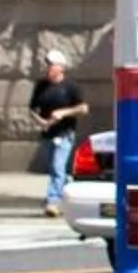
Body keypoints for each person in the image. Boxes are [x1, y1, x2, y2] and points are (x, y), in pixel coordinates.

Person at [33, 53, 89, 216]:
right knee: (54, 168)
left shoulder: (71, 87)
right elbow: (32, 108)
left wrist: (63, 113)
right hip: (48, 133)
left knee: (57, 167)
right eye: (47, 65)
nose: (47, 68)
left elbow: (83, 108)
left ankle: (53, 202)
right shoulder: (41, 86)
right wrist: (40, 121)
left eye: (51, 65)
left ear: (61, 67)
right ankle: (68, 188)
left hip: (65, 133)